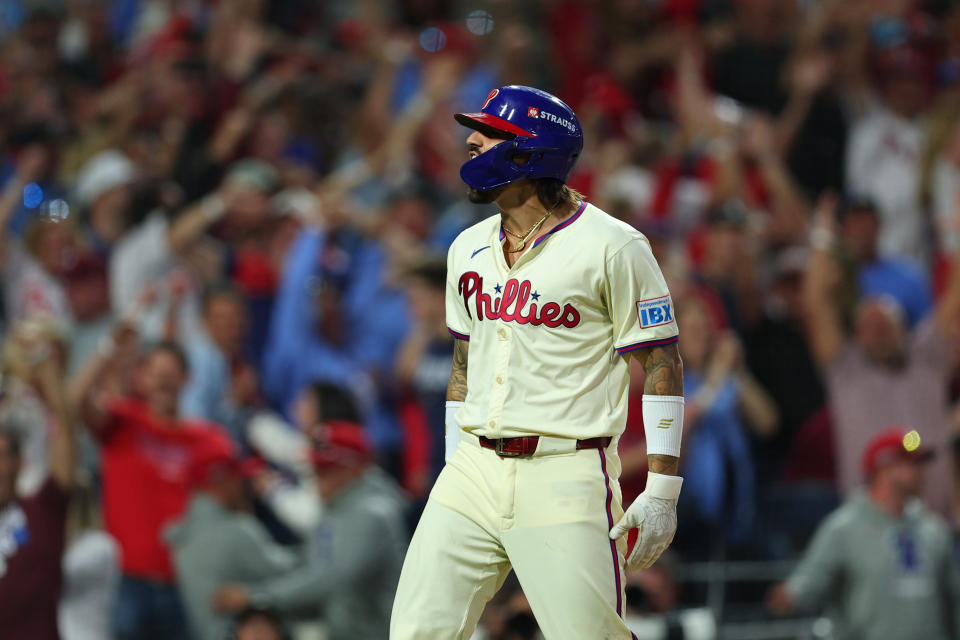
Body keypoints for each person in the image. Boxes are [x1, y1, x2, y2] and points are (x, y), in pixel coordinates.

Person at [391, 85, 686, 639]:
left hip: (565, 470)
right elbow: (464, 365)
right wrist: (457, 464)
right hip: (473, 468)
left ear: (531, 152)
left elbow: (663, 361)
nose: (473, 141)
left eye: (491, 133)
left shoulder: (614, 246)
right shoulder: (466, 248)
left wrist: (662, 491)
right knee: (416, 632)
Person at [804, 193, 960, 517]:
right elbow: (816, 306)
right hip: (868, 529)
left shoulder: (927, 359)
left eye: (886, 322)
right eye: (868, 325)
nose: (877, 329)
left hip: (938, 524)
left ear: (905, 328)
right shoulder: (846, 370)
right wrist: (822, 235)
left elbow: (954, 299)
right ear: (856, 336)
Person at [70, 337, 233, 640]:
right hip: (126, 580)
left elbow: (231, 507)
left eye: (171, 375)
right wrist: (107, 350)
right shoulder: (122, 421)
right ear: (142, 379)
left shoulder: (211, 441)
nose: (163, 382)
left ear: (187, 379)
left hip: (185, 582)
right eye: (156, 374)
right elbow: (75, 401)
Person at [212, 422, 408, 640]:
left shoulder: (372, 512)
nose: (316, 476)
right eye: (316, 467)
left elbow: (329, 577)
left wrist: (257, 595)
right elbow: (311, 561)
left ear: (355, 467)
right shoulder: (336, 505)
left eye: (327, 469)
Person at [767, 428, 960, 640]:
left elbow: (954, 596)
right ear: (884, 467)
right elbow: (808, 584)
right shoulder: (845, 527)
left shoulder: (933, 529)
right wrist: (789, 595)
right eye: (910, 463)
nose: (920, 471)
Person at [166, 444, 296, 640]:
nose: (246, 485)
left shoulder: (183, 534)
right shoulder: (236, 530)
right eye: (239, 478)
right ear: (220, 481)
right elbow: (294, 574)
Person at [0, 319, 76, 640]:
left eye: (1, 456)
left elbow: (64, 429)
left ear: (19, 463)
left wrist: (44, 363)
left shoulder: (43, 508)